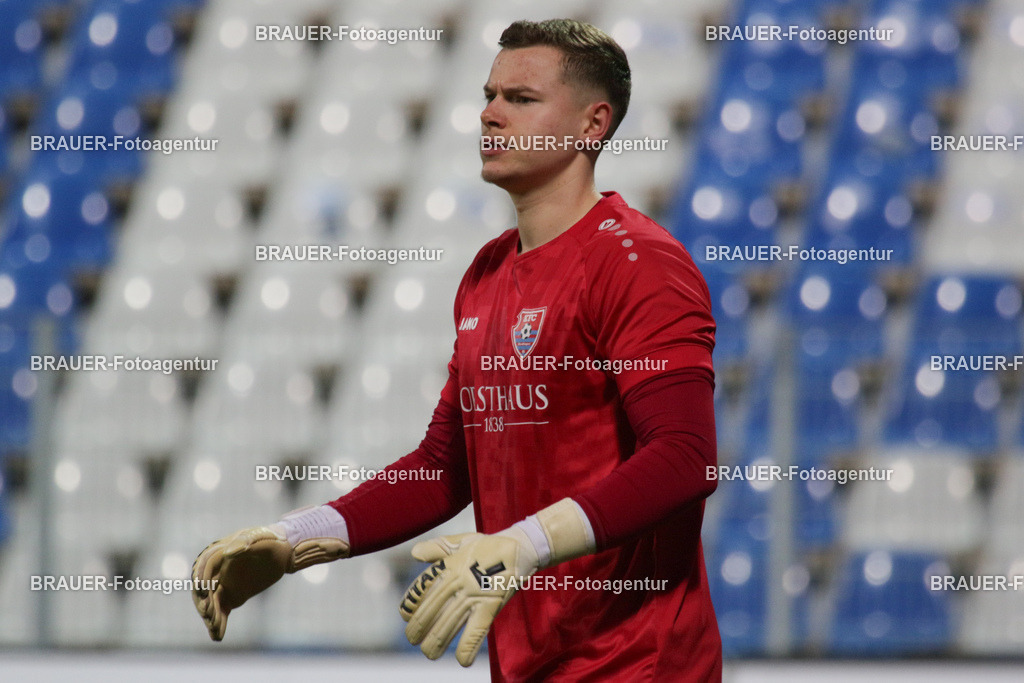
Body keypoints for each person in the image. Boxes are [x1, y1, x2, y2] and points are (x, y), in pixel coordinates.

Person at [192, 18, 722, 681]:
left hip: (638, 666)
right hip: (528, 666)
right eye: (489, 94)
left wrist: (525, 542)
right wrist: (293, 540)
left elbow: (684, 459)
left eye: (521, 99)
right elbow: (445, 467)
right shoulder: (487, 274)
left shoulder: (637, 262)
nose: (490, 114)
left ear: (593, 124)